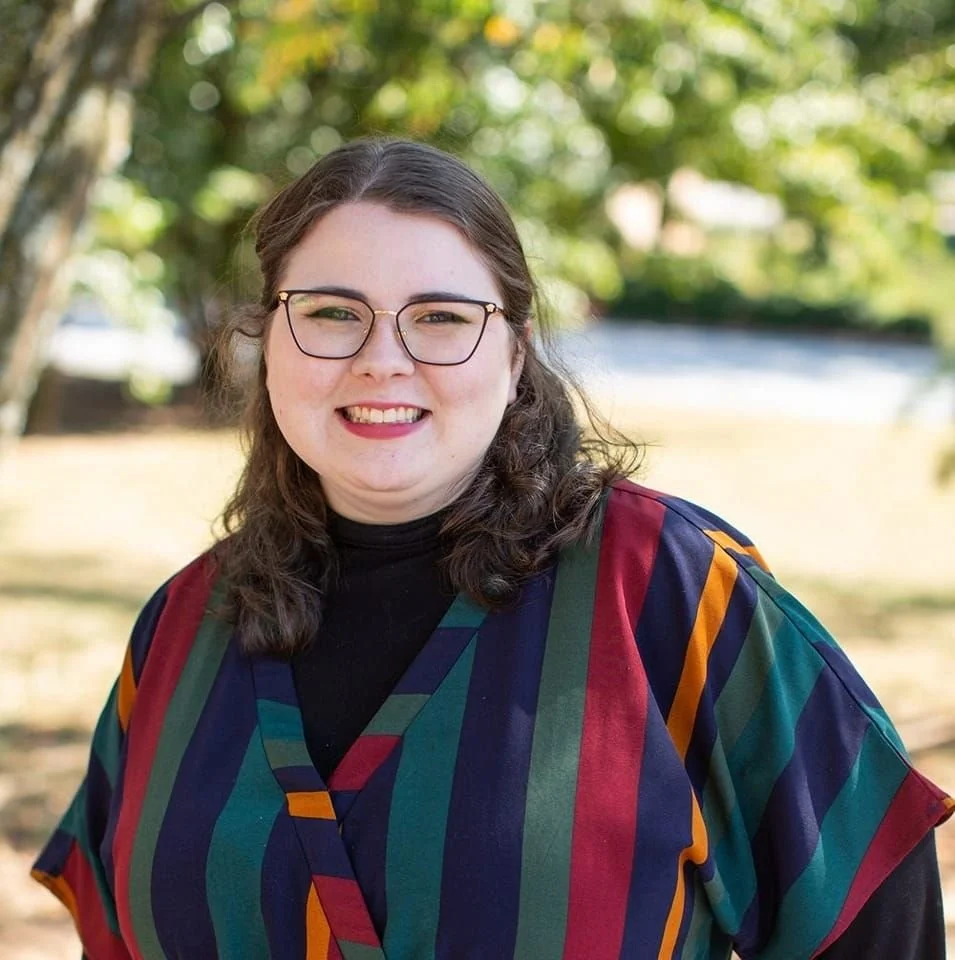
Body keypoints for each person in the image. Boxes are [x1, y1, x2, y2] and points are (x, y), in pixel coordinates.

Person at [33, 138, 951, 960]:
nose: (382, 358)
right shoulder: (184, 627)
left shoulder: (660, 590)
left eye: (439, 316)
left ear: (513, 355)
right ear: (268, 340)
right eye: (330, 312)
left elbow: (873, 911)